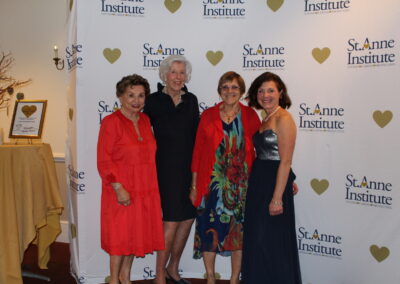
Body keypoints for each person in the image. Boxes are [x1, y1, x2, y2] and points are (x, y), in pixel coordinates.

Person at [189, 71, 261, 284]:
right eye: (225, 87)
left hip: (242, 186)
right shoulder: (209, 115)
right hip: (211, 185)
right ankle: (210, 277)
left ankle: (234, 279)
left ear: (242, 91)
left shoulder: (250, 116)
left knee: (238, 234)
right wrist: (194, 185)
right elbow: (198, 151)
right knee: (208, 231)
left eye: (234, 87)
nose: (230, 91)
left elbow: (264, 149)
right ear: (219, 90)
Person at [97, 74, 164, 284]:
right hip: (121, 189)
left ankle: (125, 277)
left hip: (145, 188)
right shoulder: (111, 122)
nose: (136, 100)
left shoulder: (145, 120)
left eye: (141, 95)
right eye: (131, 95)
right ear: (120, 96)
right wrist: (118, 187)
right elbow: (104, 160)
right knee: (120, 238)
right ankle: (114, 280)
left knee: (134, 235)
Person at [143, 55, 199, 284]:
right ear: (165, 75)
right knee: (171, 221)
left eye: (182, 73)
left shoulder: (192, 100)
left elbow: (197, 137)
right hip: (164, 169)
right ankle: (159, 275)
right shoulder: (153, 100)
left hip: (190, 170)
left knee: (187, 218)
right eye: (173, 72)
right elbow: (141, 134)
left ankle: (173, 268)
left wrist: (197, 176)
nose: (178, 77)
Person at [242, 72, 302, 284]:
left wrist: (278, 197)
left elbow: (285, 161)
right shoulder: (266, 117)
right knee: (258, 240)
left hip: (272, 188)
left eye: (270, 90)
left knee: (272, 242)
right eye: (261, 90)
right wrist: (288, 181)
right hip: (260, 182)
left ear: (280, 93)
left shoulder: (284, 118)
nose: (265, 95)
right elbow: (272, 155)